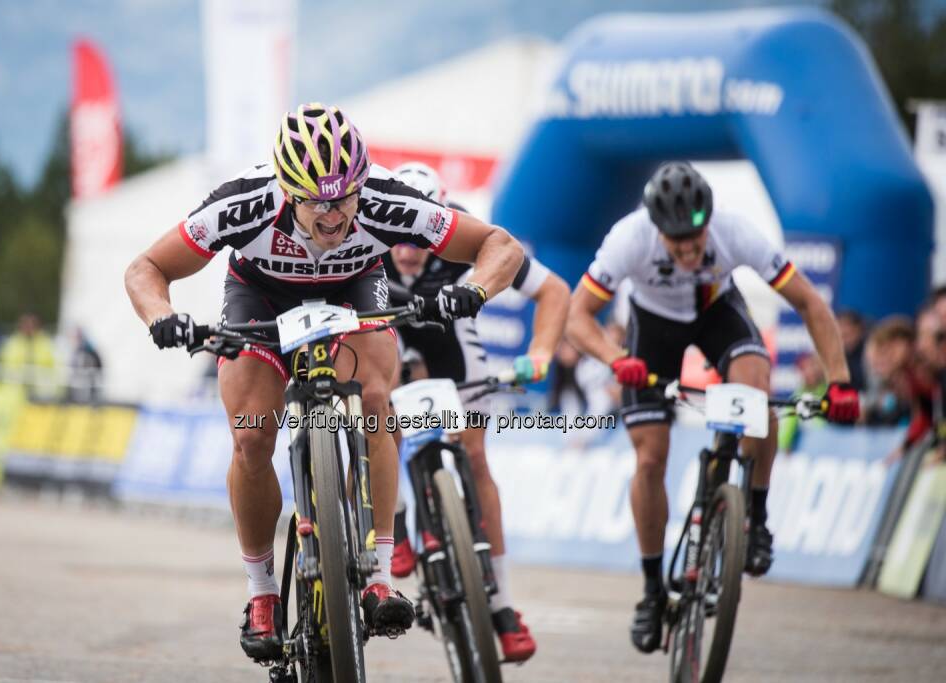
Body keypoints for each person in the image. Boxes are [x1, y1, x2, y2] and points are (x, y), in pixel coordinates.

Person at [123, 104, 525, 662]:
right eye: (317, 200)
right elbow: (145, 269)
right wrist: (162, 318)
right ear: (287, 189)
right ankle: (262, 592)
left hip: (355, 290)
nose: (334, 214)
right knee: (251, 436)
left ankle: (380, 573)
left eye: (345, 197)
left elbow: (500, 247)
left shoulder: (386, 199)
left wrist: (473, 291)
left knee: (378, 403)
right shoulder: (243, 203)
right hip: (259, 298)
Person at [565, 161, 859, 654]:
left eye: (695, 240)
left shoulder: (734, 232)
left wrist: (841, 382)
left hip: (717, 313)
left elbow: (809, 302)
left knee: (756, 390)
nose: (688, 250)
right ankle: (653, 590)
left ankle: (756, 517)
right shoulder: (628, 238)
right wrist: (617, 360)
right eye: (676, 242)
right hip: (652, 328)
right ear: (656, 229)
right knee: (651, 456)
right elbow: (577, 317)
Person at [384, 161, 570, 662]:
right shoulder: (370, 233)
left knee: (476, 454)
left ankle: (504, 605)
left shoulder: (466, 233)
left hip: (451, 338)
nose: (405, 252)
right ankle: (396, 520)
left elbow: (554, 291)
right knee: (381, 408)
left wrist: (543, 352)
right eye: (396, 240)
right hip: (391, 335)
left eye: (417, 241)